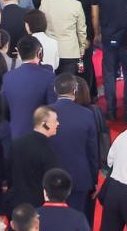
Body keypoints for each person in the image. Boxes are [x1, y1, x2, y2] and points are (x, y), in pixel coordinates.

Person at [48, 74, 99, 217]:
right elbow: (92, 151)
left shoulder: (45, 112)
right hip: (79, 177)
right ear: (75, 90)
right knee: (77, 218)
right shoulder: (87, 114)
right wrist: (94, 179)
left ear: (55, 89)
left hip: (50, 177)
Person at [1, 36, 59, 138]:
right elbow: (52, 108)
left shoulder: (8, 77)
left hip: (15, 135)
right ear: (39, 52)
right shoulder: (49, 77)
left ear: (18, 53)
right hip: (41, 135)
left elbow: (4, 108)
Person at [7, 106, 60, 211]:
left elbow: (9, 173)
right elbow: (51, 181)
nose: (58, 123)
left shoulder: (17, 143)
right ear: (44, 124)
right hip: (38, 207)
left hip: (16, 204)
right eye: (55, 121)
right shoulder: (47, 150)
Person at [39, 0, 87, 77]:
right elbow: (81, 30)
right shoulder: (76, 5)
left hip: (50, 50)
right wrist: (81, 48)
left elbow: (40, 27)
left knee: (50, 82)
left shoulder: (44, 3)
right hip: (70, 50)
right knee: (68, 83)